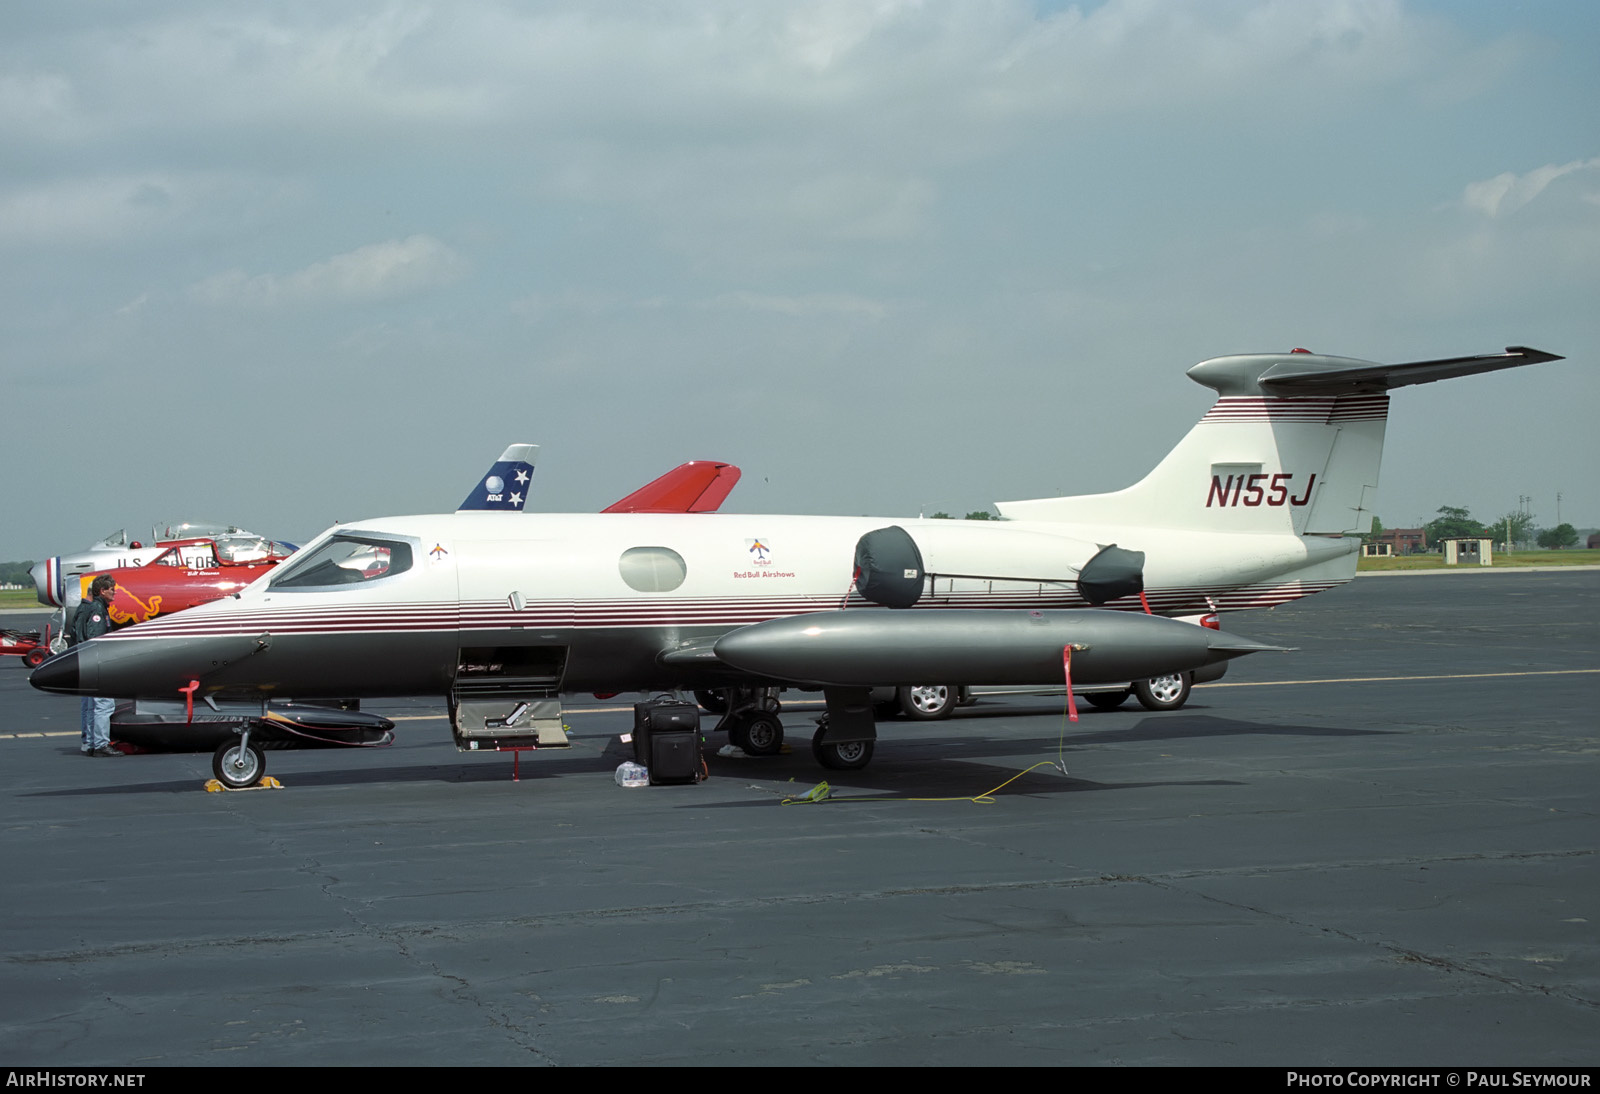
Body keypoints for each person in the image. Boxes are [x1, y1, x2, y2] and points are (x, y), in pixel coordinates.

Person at [72, 575, 120, 757]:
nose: (114, 592)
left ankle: (91, 742)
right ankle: (101, 744)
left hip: (86, 664)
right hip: (97, 665)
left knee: (91, 705)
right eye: (111, 589)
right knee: (104, 705)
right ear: (102, 591)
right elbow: (96, 640)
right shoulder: (98, 611)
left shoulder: (90, 608)